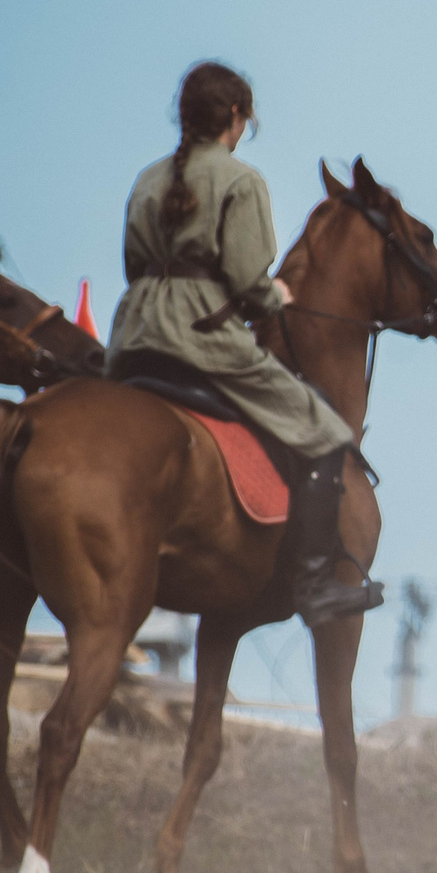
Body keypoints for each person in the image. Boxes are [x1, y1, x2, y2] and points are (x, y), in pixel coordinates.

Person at [105, 61, 380, 626]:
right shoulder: (241, 181)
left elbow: (134, 264)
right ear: (235, 116)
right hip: (200, 341)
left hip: (133, 336)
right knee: (325, 431)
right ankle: (313, 586)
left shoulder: (147, 179)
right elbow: (250, 286)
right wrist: (274, 295)